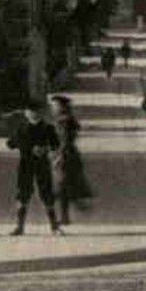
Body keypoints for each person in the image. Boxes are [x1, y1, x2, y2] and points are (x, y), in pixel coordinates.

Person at [7, 102, 63, 236]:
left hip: (42, 164)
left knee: (46, 192)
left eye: (35, 111)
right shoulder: (21, 128)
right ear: (26, 113)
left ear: (40, 113)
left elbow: (56, 145)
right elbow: (10, 144)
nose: (32, 113)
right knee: (23, 192)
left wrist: (45, 149)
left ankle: (54, 227)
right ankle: (19, 227)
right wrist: (26, 146)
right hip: (25, 164)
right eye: (29, 111)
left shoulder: (48, 128)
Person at [50, 95, 93, 225]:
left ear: (62, 107)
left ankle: (66, 215)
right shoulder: (65, 119)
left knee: (63, 186)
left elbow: (66, 140)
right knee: (66, 185)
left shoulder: (64, 121)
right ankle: (70, 209)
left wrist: (59, 157)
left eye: (55, 105)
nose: (53, 107)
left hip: (66, 156)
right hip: (69, 155)